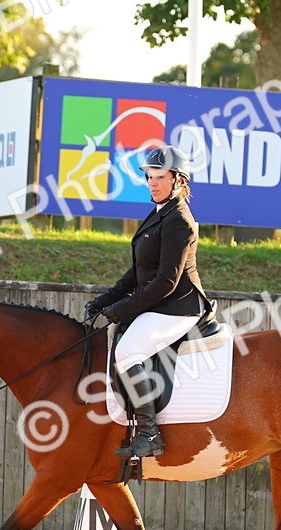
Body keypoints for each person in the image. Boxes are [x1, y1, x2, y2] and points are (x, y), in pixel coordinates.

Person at [85, 145, 210, 459]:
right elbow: (139, 269)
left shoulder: (179, 219)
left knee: (127, 352)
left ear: (178, 180)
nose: (152, 183)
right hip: (161, 303)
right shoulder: (160, 212)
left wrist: (121, 310)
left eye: (160, 177)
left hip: (178, 307)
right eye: (149, 177)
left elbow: (165, 282)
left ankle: (149, 432)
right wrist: (108, 298)